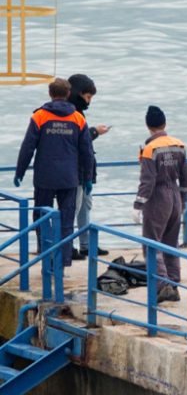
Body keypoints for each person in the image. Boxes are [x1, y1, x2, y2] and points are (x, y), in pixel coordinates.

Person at [14, 78, 94, 267]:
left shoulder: (39, 116)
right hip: (69, 178)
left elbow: (28, 148)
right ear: (68, 94)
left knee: (42, 217)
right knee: (66, 219)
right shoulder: (78, 118)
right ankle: (63, 260)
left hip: (45, 177)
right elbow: (87, 152)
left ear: (50, 94)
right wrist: (88, 177)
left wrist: (20, 172)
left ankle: (46, 256)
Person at [132, 106, 187, 304]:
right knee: (171, 243)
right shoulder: (179, 145)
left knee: (151, 244)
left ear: (148, 126)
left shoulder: (150, 149)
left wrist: (138, 205)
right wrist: (184, 201)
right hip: (175, 195)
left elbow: (147, 181)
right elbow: (185, 178)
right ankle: (173, 284)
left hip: (157, 198)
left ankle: (162, 285)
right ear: (164, 124)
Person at [67, 74, 111, 260]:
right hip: (76, 170)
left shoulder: (78, 113)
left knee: (85, 206)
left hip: (85, 169)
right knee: (73, 208)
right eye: (88, 97)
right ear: (79, 94)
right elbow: (78, 141)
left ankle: (85, 244)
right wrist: (95, 132)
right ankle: (67, 245)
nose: (89, 102)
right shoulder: (71, 114)